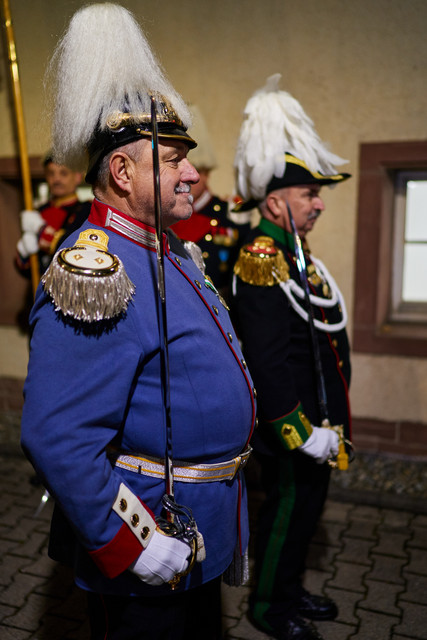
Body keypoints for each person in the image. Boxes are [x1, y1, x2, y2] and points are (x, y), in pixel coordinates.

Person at [20, 5, 256, 639]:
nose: (191, 173)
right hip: (149, 534)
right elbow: (58, 435)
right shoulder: (96, 267)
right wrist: (133, 546)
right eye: (173, 158)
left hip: (199, 523)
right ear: (122, 173)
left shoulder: (168, 249)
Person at [231, 75, 352, 640]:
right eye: (310, 195)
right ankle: (268, 608)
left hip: (319, 424)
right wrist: (299, 432)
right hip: (294, 427)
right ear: (277, 201)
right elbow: (267, 361)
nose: (319, 204)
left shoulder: (299, 256)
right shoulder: (263, 259)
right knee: (285, 515)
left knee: (307, 514)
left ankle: (291, 589)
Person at [172, 105, 250, 298]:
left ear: (206, 174)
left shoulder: (231, 215)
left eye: (196, 168)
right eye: (176, 167)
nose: (186, 177)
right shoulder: (164, 215)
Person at [15, 154, 91, 276]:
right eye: (51, 173)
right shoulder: (39, 211)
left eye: (63, 173)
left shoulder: (86, 211)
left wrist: (41, 231)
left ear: (77, 177)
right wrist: (24, 254)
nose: (56, 179)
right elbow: (28, 270)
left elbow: (69, 248)